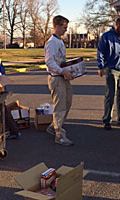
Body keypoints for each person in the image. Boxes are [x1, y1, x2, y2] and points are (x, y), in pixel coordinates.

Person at [44, 15, 74, 146]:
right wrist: (63, 72)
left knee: (67, 103)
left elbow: (60, 61)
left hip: (63, 77)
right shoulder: (52, 43)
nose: (65, 30)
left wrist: (70, 69)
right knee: (60, 106)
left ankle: (54, 126)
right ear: (56, 27)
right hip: (56, 78)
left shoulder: (60, 41)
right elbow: (50, 62)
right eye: (64, 27)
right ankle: (59, 135)